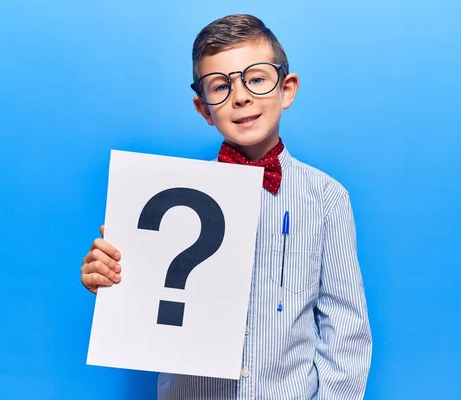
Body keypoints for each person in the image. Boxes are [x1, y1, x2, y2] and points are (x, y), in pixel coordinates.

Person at [80, 13, 372, 399]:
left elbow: (345, 332)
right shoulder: (166, 197)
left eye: (256, 79)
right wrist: (112, 279)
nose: (240, 97)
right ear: (204, 110)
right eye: (220, 86)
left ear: (286, 89)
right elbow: (145, 307)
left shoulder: (326, 199)